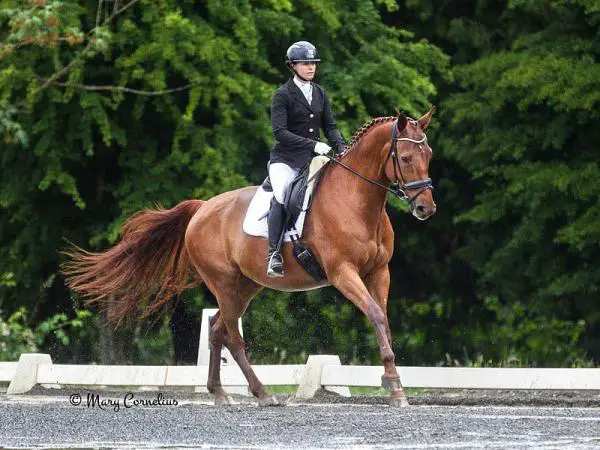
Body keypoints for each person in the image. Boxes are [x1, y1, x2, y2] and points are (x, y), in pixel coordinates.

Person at [266, 41, 346, 277]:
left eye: (313, 63)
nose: (311, 67)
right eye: (305, 63)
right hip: (286, 160)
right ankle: (273, 254)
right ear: (293, 66)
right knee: (282, 195)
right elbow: (280, 132)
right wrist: (313, 144)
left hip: (314, 159)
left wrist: (342, 149)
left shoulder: (320, 93)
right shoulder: (282, 95)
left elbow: (330, 127)